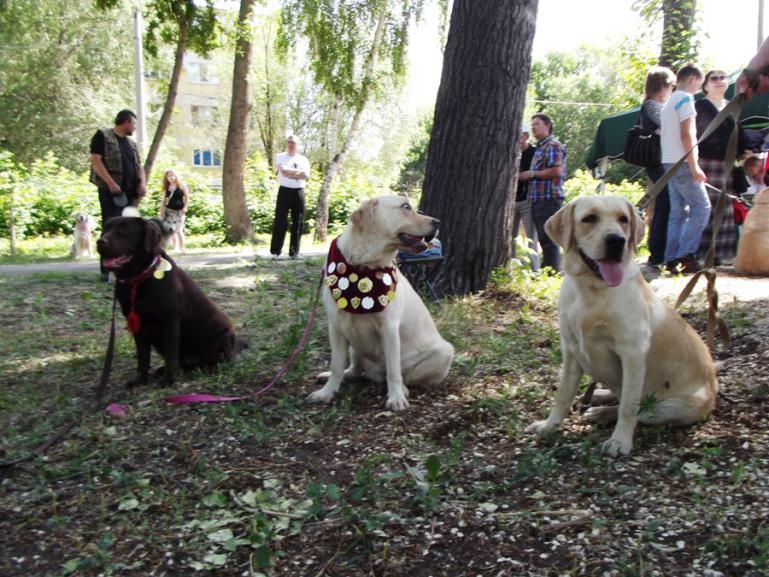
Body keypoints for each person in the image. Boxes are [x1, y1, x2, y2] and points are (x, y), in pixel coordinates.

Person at [660, 65, 709, 273]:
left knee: (678, 212)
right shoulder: (686, 99)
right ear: (693, 80)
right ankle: (686, 255)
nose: (699, 88)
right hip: (682, 162)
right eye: (700, 83)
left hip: (669, 161)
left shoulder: (669, 101)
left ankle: (671, 259)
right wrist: (694, 165)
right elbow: (686, 133)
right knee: (702, 207)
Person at [695, 70, 748, 265]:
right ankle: (699, 254)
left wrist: (743, 151)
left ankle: (723, 254)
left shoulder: (731, 106)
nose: (719, 81)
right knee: (705, 209)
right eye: (714, 78)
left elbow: (739, 134)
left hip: (727, 165)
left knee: (725, 210)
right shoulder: (699, 107)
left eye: (722, 77)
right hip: (704, 163)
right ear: (705, 85)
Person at [90, 109, 146, 282]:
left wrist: (142, 184)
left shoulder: (131, 144)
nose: (135, 128)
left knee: (129, 230)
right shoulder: (102, 136)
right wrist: (111, 184)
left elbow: (139, 166)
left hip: (130, 194)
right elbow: (96, 161)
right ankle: (106, 270)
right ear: (126, 122)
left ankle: (126, 267)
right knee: (110, 229)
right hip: (111, 193)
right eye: (134, 124)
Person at [518, 113, 566, 272]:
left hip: (548, 198)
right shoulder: (540, 147)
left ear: (547, 126)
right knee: (544, 240)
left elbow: (557, 171)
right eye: (532, 125)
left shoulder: (552, 145)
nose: (533, 127)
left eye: (537, 124)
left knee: (549, 239)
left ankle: (552, 273)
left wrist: (532, 174)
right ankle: (548, 272)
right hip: (537, 199)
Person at [640, 66, 677, 268]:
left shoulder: (653, 105)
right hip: (657, 161)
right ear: (661, 86)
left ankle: (658, 252)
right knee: (665, 203)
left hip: (659, 160)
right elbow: (671, 125)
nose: (671, 90)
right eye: (670, 86)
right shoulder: (652, 105)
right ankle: (657, 253)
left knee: (664, 203)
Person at [270, 135, 310, 260]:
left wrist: (290, 172)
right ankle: (275, 252)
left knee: (298, 222)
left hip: (298, 192)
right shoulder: (281, 157)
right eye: (289, 142)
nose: (291, 144)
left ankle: (294, 252)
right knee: (280, 221)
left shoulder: (303, 160)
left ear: (297, 145)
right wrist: (297, 173)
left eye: (293, 142)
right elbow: (283, 172)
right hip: (284, 191)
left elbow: (305, 175)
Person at [512, 125, 540, 271]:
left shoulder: (535, 153)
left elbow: (541, 173)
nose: (517, 140)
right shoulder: (510, 153)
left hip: (527, 200)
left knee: (531, 238)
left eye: (519, 136)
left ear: (526, 136)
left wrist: (529, 174)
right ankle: (510, 267)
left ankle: (534, 270)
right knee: (509, 237)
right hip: (510, 202)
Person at [159, 169, 189, 253]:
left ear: (176, 176)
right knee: (171, 230)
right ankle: (175, 247)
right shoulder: (166, 188)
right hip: (169, 210)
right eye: (169, 176)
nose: (171, 177)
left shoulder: (182, 186)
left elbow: (187, 198)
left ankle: (182, 248)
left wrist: (185, 207)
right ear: (166, 178)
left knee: (179, 229)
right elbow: (163, 200)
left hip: (179, 211)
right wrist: (161, 211)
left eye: (172, 175)